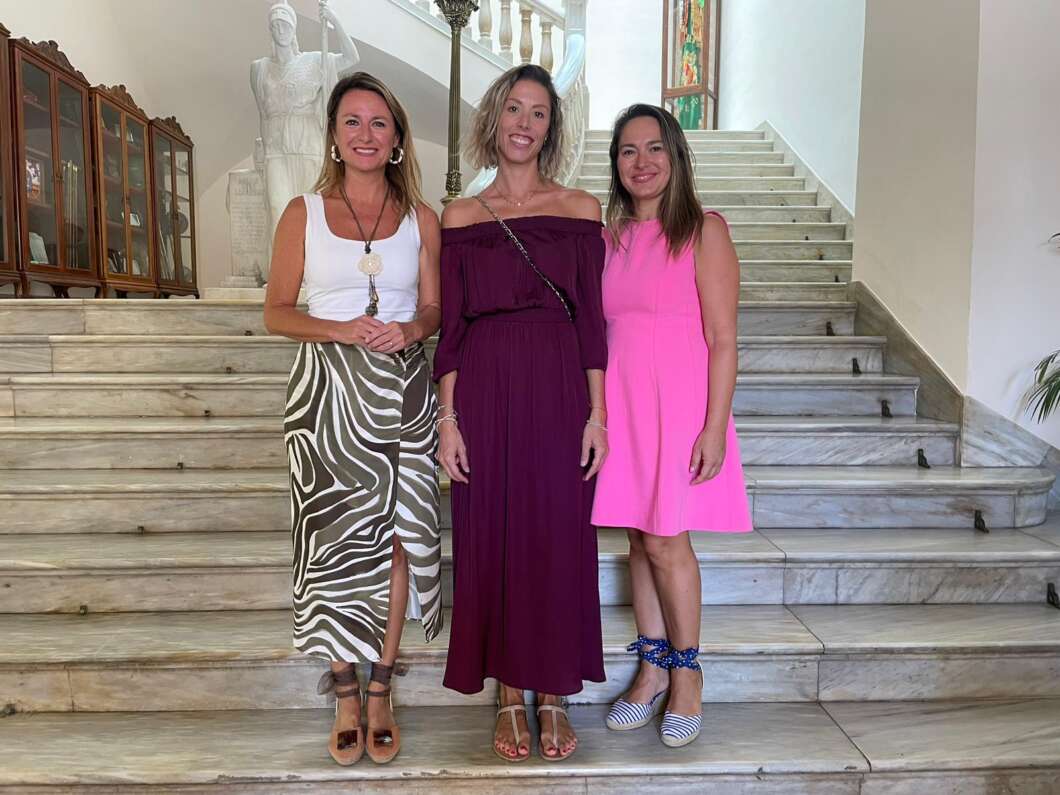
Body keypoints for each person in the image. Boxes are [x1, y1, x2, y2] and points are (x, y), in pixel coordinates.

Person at [264, 72, 442, 766]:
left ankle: (381, 686)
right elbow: (276, 312)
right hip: (326, 397)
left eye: (379, 123)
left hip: (402, 391)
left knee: (399, 538)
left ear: (397, 138)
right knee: (333, 541)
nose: (366, 134)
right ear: (334, 137)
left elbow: (435, 308)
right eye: (352, 122)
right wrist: (339, 329)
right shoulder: (302, 212)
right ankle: (344, 687)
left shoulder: (421, 217)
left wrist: (412, 329)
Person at [433, 64, 609, 763]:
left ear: (551, 129)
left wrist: (598, 415)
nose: (524, 123)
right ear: (493, 118)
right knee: (495, 535)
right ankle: (510, 689)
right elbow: (451, 328)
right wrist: (448, 420)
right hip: (484, 388)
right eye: (514, 108)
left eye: (539, 112)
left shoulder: (580, 209)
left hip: (561, 387)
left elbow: (592, 323)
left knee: (558, 532)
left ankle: (555, 689)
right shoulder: (460, 217)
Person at [592, 104, 753, 748]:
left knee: (666, 540)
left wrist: (714, 427)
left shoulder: (704, 231)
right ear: (616, 164)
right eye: (628, 150)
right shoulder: (609, 236)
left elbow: (723, 339)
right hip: (623, 404)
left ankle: (688, 674)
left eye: (655, 147)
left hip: (678, 406)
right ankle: (652, 667)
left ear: (677, 155)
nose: (642, 161)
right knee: (639, 538)